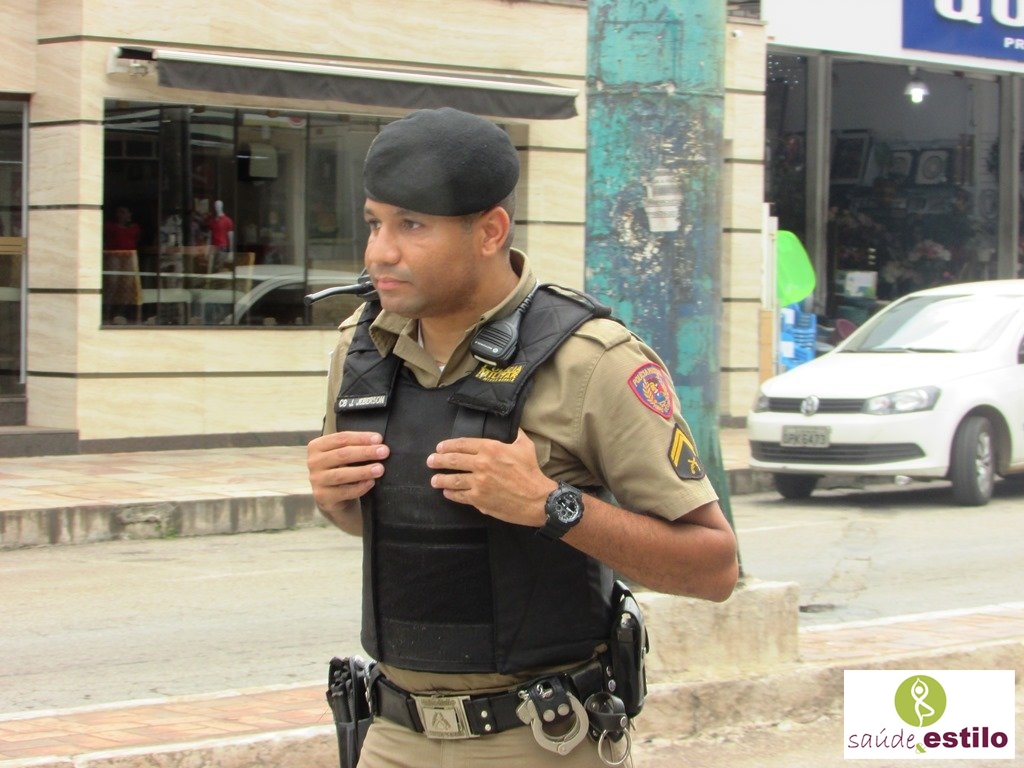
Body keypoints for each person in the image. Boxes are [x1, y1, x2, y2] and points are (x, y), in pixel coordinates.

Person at [307, 107, 738, 768]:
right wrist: (337, 499)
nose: (379, 252)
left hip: (540, 737)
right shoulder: (361, 351)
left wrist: (552, 507)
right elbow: (415, 532)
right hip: (392, 734)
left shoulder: (592, 361)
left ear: (490, 232)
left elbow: (714, 568)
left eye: (411, 225)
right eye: (374, 223)